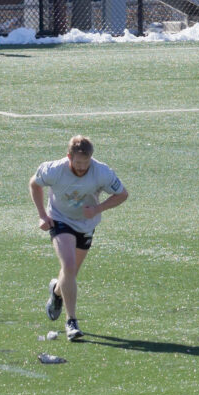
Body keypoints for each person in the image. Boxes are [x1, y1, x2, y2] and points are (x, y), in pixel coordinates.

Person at [31, 135, 127, 339]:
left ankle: (56, 291)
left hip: (86, 224)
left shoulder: (102, 172)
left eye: (86, 162)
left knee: (70, 274)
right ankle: (71, 321)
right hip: (60, 219)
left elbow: (122, 194)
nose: (82, 167)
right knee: (68, 266)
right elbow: (34, 184)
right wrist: (42, 215)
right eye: (78, 162)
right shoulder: (54, 170)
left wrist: (98, 209)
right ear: (69, 157)